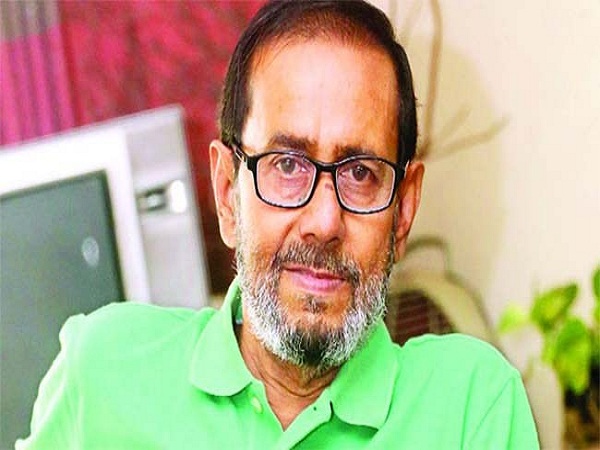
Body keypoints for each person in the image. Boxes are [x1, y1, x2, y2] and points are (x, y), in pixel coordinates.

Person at [17, 1, 539, 448]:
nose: (324, 221)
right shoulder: (103, 371)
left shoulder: (473, 405)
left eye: (360, 173)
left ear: (402, 212)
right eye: (287, 165)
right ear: (228, 194)